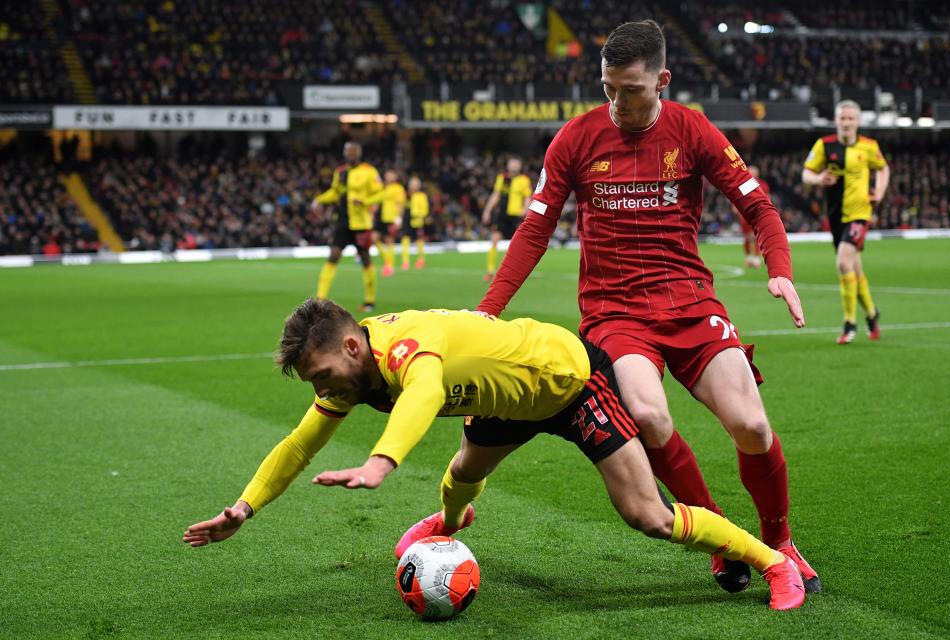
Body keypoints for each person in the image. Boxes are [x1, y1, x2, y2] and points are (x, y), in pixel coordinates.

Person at [476, 20, 820, 594]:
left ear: (662, 80)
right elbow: (534, 230)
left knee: (752, 425)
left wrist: (778, 270)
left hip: (689, 301)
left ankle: (780, 541)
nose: (616, 102)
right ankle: (723, 537)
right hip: (616, 314)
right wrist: (488, 310)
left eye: (630, 90)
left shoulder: (692, 130)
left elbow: (759, 206)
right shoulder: (575, 138)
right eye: (607, 88)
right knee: (651, 415)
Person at [182, 299, 806, 611]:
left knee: (647, 515)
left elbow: (425, 390)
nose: (323, 392)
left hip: (567, 382)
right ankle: (449, 528)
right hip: (505, 402)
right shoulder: (353, 372)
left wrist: (381, 462)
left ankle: (768, 560)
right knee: (461, 475)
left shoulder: (402, 349)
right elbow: (298, 444)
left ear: (351, 345)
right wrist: (245, 507)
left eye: (322, 375)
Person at [802, 100, 889, 344]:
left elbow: (883, 169)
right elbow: (805, 173)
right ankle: (872, 314)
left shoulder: (869, 146)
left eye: (851, 118)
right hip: (836, 216)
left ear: (858, 122)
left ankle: (850, 323)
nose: (847, 122)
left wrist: (879, 192)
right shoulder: (824, 145)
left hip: (860, 214)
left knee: (843, 263)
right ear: (836, 120)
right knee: (854, 268)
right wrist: (818, 179)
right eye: (843, 118)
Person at [312, 141, 382, 312]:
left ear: (359, 153)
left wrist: (365, 201)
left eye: (353, 151)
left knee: (365, 258)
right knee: (334, 255)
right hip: (343, 221)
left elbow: (380, 193)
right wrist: (319, 200)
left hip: (361, 222)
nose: (350, 154)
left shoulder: (369, 171)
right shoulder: (340, 171)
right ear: (344, 153)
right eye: (348, 151)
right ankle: (320, 299)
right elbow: (335, 192)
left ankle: (370, 300)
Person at [481, 156, 532, 281]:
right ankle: (490, 270)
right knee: (494, 239)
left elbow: (527, 197)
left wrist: (525, 209)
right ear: (508, 165)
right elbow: (496, 195)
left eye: (516, 164)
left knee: (518, 244)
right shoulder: (502, 178)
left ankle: (517, 271)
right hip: (501, 215)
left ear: (520, 167)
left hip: (516, 216)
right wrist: (487, 210)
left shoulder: (524, 180)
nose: (514, 166)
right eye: (512, 164)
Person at [366, 169, 406, 277]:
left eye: (391, 175)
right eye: (387, 174)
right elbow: (377, 202)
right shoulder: (383, 187)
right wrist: (372, 214)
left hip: (391, 218)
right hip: (381, 217)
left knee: (389, 241)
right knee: (374, 238)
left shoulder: (398, 188)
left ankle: (389, 267)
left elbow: (400, 204)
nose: (389, 176)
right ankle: (387, 262)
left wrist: (398, 219)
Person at [739, 166, 768, 269]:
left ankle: (756, 259)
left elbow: (767, 198)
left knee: (756, 236)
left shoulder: (763, 185)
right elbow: (738, 197)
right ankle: (749, 258)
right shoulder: (743, 183)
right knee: (747, 237)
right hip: (745, 214)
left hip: (757, 213)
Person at [400, 176, 428, 270]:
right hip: (406, 219)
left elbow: (425, 210)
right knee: (405, 239)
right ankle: (405, 261)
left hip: (416, 220)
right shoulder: (405, 194)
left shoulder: (421, 196)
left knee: (419, 240)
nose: (413, 186)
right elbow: (401, 205)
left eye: (415, 184)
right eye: (412, 184)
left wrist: (418, 215)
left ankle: (421, 260)